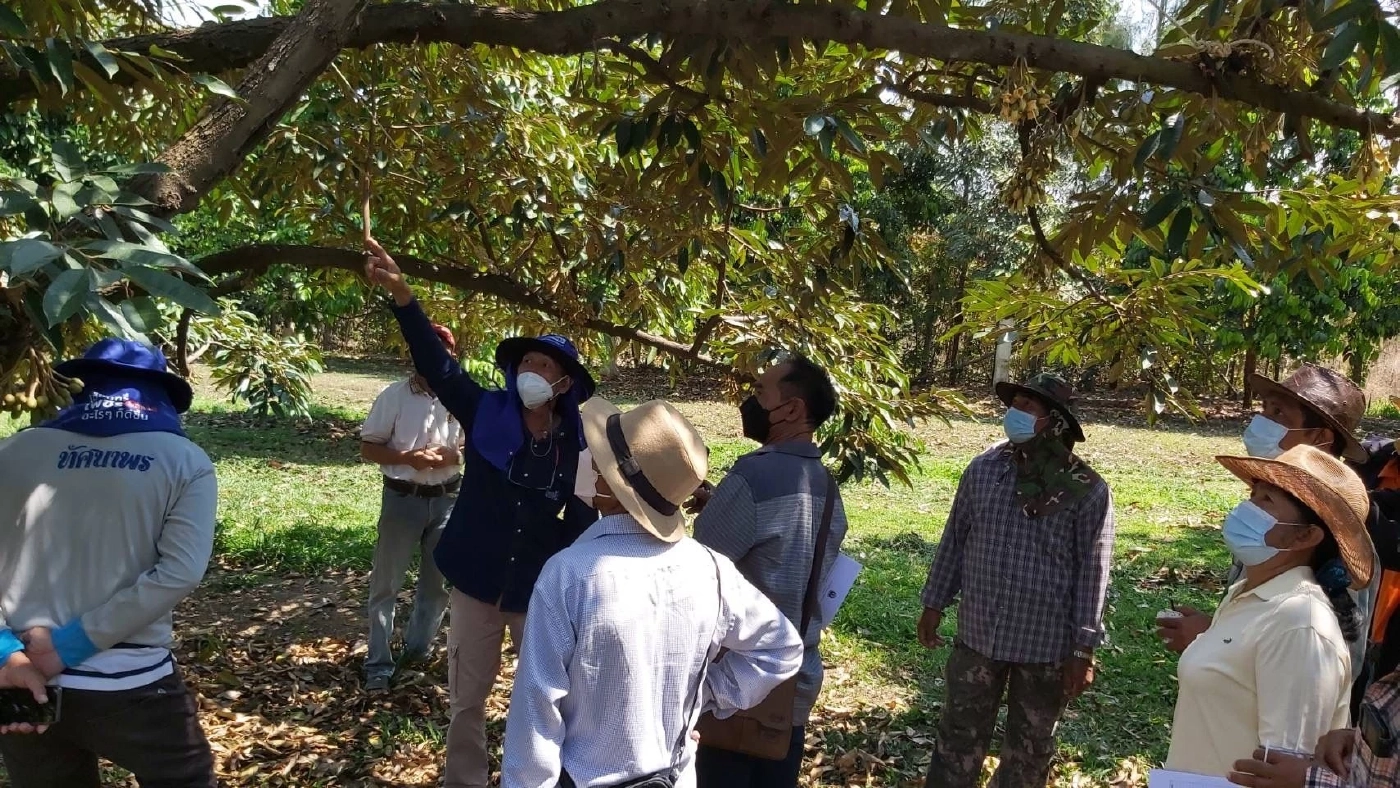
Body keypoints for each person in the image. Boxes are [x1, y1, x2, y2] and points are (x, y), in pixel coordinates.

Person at [364, 239, 598, 788]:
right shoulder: (486, 412)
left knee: (545, 700)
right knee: (467, 702)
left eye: (546, 365)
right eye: (528, 361)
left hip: (537, 593)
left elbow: (586, 516)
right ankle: (463, 781)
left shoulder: (577, 444)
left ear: (564, 383)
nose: (533, 371)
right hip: (473, 582)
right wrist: (402, 295)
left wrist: (576, 571)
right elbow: (439, 367)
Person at [501, 398, 804, 788]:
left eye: (597, 456)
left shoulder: (569, 574)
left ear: (608, 484)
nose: (587, 459)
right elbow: (781, 648)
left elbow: (537, 710)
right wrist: (706, 697)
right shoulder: (710, 569)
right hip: (675, 776)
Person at [0, 338, 219, 787]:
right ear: (159, 393)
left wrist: (8, 654)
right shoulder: (184, 460)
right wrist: (69, 646)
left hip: (21, 682)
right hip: (129, 683)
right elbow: (180, 571)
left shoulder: (13, 452)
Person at [1158, 365, 1394, 715]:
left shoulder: (1338, 533)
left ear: (1319, 438)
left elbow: (1334, 659)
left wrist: (1213, 639)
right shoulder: (1274, 502)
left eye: (1279, 412)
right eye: (1265, 408)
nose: (1262, 420)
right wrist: (1221, 629)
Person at [918, 373, 1116, 788]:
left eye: (1029, 407)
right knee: (957, 736)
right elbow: (955, 538)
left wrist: (1084, 649)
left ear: (1055, 422)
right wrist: (934, 603)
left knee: (1028, 751)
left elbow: (1092, 573)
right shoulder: (985, 470)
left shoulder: (1085, 490)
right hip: (979, 634)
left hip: (1043, 646)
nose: (1015, 414)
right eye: (1016, 404)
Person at [1166, 444, 1373, 778]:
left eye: (1267, 501)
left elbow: (1283, 769)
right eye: (1253, 494)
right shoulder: (1246, 594)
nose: (1246, 508)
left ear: (1305, 536)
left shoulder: (1300, 624)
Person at [690, 353, 846, 788]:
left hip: (736, 683)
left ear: (792, 409)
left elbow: (699, 565)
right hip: (793, 682)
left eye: (761, 391)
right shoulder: (826, 484)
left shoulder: (754, 474)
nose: (750, 400)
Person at [360, 322, 466, 691]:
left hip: (447, 499)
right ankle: (378, 664)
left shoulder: (461, 397)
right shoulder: (393, 396)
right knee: (386, 584)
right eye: (426, 349)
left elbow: (476, 444)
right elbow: (368, 447)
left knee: (436, 585)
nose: (434, 357)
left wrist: (456, 454)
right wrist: (408, 457)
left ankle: (417, 652)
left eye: (442, 350)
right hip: (403, 497)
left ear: (452, 354)